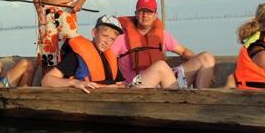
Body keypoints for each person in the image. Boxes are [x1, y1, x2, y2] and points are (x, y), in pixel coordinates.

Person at [42, 15, 185, 93]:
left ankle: (174, 105)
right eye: (104, 35)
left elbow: (121, 83)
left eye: (112, 39)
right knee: (161, 66)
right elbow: (47, 80)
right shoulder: (77, 57)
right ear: (94, 33)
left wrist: (119, 86)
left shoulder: (110, 56)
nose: (107, 41)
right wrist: (75, 83)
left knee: (162, 68)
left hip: (125, 95)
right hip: (107, 101)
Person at [111, 0, 216, 89]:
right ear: (136, 14)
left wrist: (207, 70)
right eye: (141, 11)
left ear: (155, 15)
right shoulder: (121, 36)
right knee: (160, 66)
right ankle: (178, 99)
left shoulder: (162, 35)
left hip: (165, 83)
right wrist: (114, 82)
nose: (145, 15)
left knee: (207, 57)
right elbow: (106, 57)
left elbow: (183, 51)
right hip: (136, 83)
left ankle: (200, 101)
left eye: (149, 12)